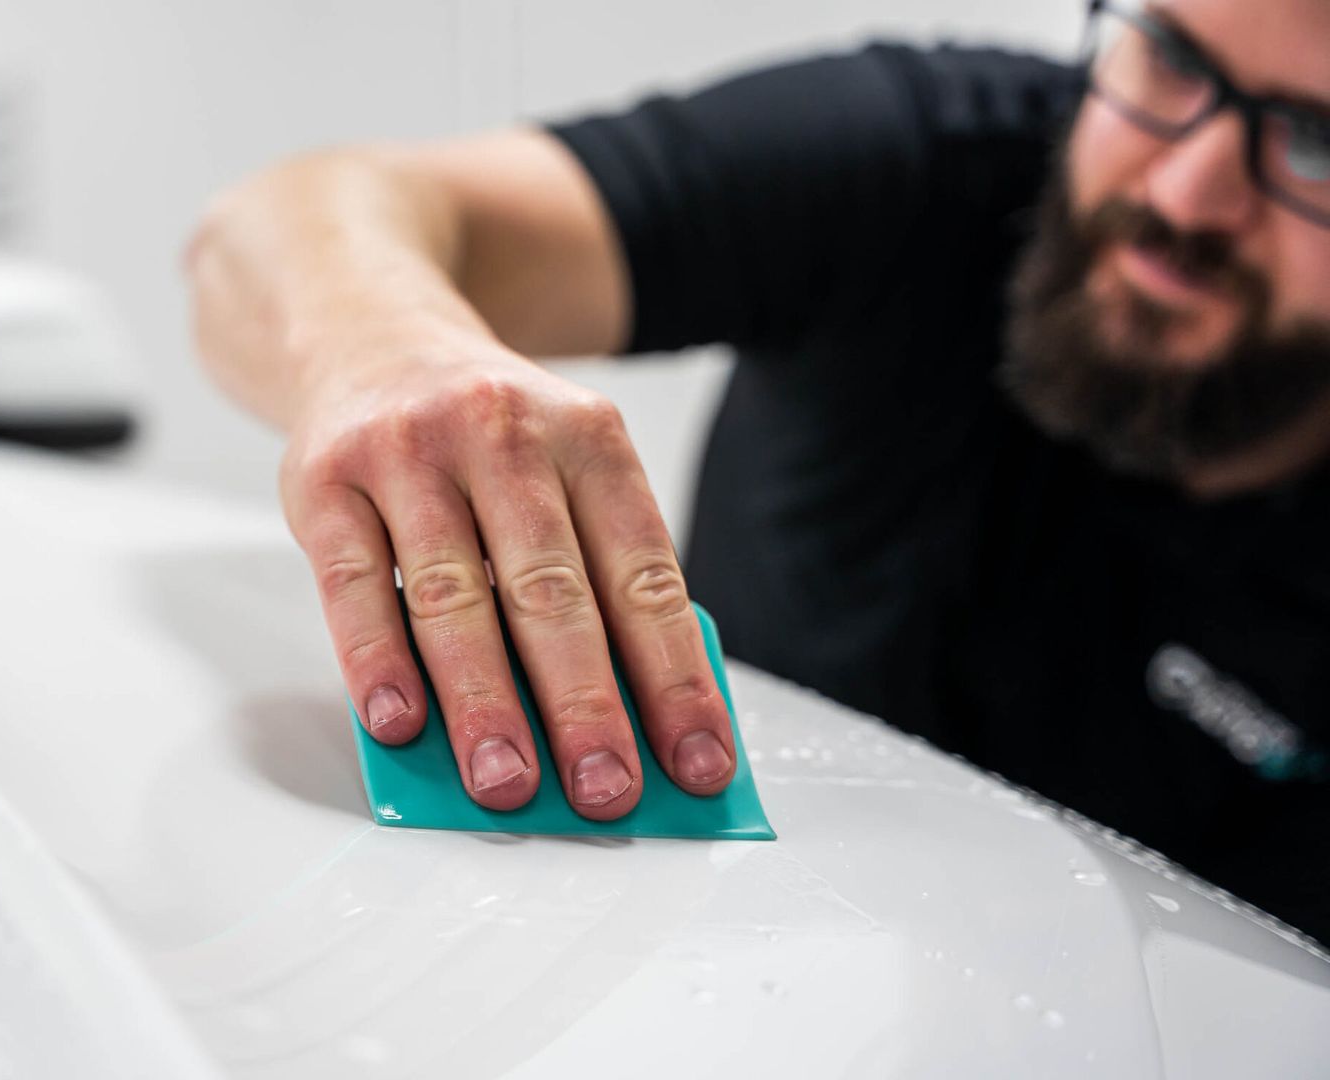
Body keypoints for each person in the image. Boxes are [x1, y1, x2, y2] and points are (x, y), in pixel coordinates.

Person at [185, 0, 1330, 941]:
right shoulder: (928, 157)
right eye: (1171, 60)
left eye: (1317, 141)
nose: (1186, 193)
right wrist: (384, 351)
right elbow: (271, 226)